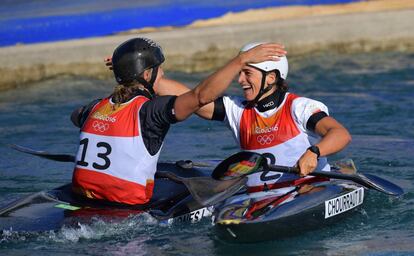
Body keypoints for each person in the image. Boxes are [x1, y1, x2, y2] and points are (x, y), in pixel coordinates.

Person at [70, 37, 286, 205]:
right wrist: (240, 60)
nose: (163, 73)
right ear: (147, 75)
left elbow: (76, 117)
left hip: (83, 201)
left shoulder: (93, 108)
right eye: (159, 69)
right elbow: (201, 96)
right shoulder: (151, 112)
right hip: (126, 215)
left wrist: (124, 70)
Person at [126, 42, 352, 192]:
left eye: (247, 73)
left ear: (271, 78)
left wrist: (314, 152)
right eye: (240, 73)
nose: (240, 80)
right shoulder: (237, 110)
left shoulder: (298, 107)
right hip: (259, 199)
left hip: (307, 191)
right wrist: (133, 72)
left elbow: (340, 134)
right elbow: (190, 97)